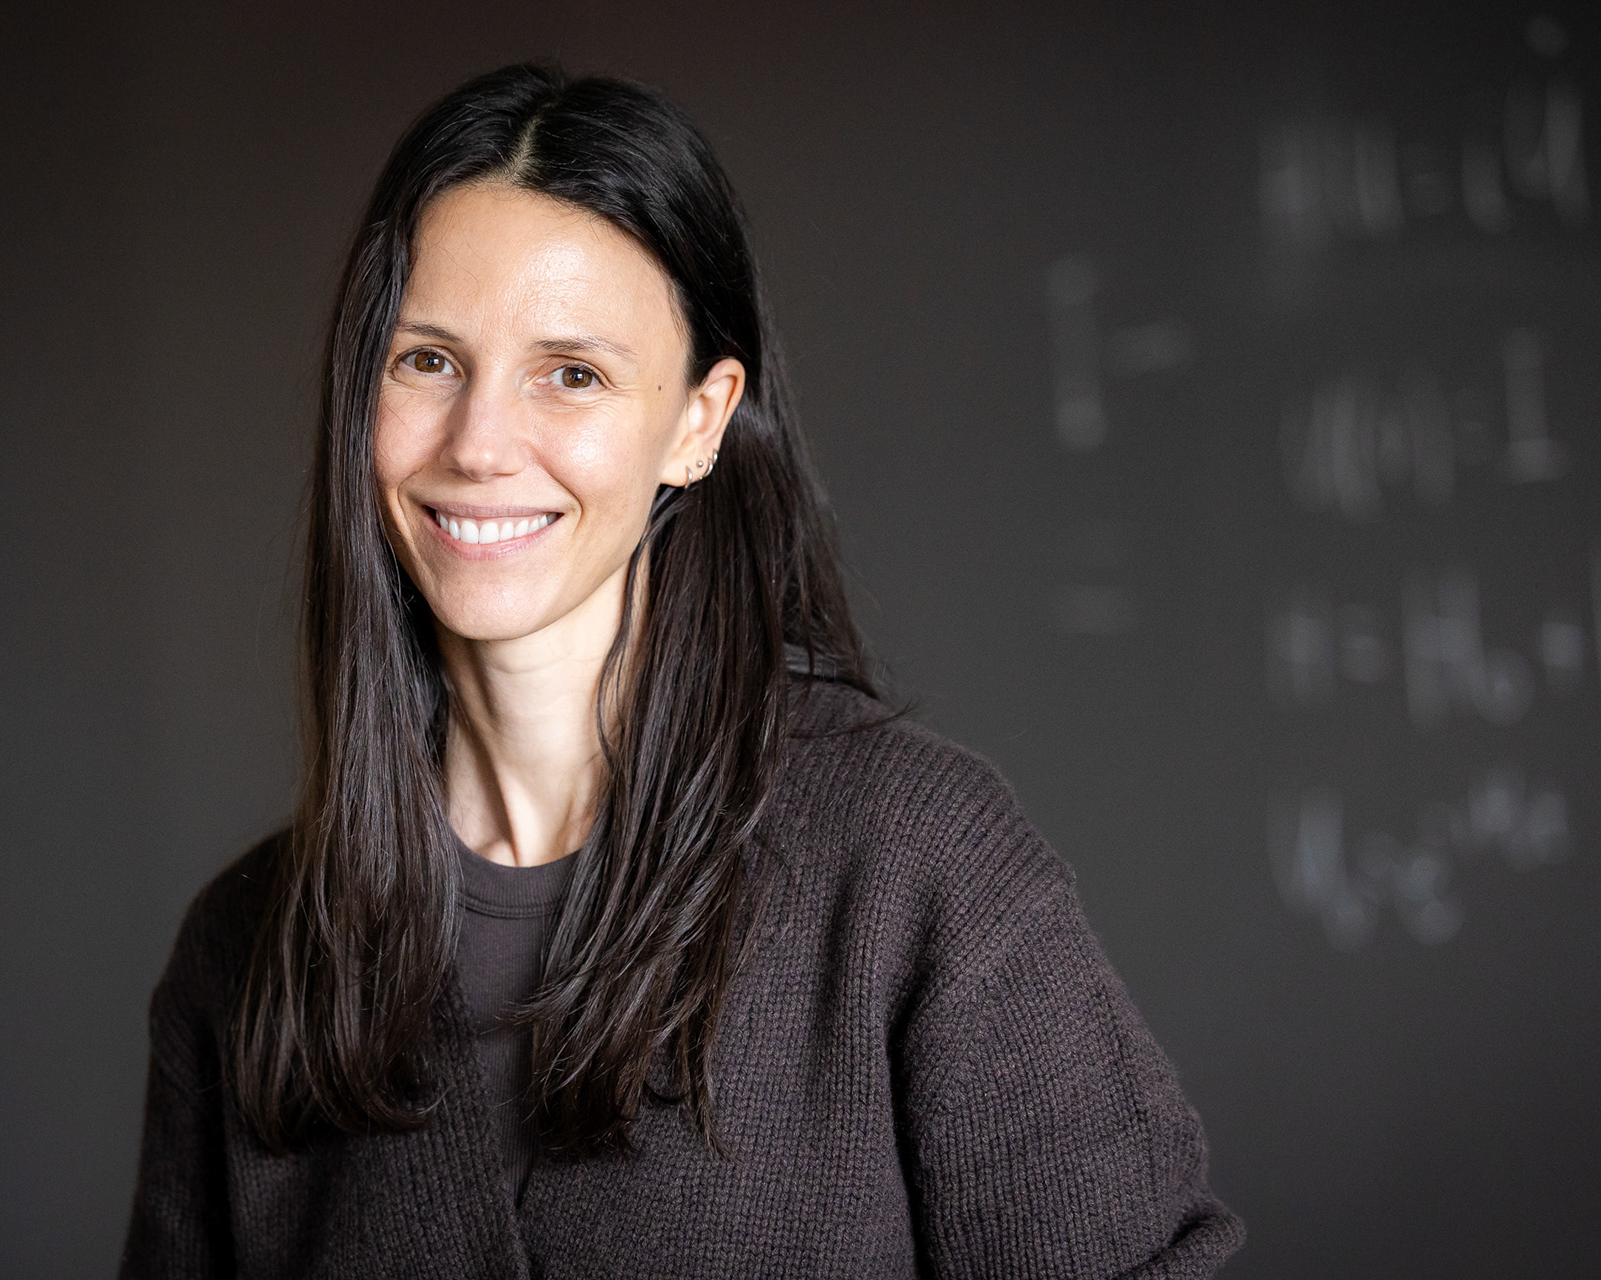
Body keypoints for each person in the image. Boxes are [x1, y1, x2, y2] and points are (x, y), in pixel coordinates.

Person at [120, 63, 1242, 1278]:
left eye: (573, 373)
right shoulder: (242, 956)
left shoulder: (916, 867)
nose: (480, 444)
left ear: (700, 422)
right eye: (427, 360)